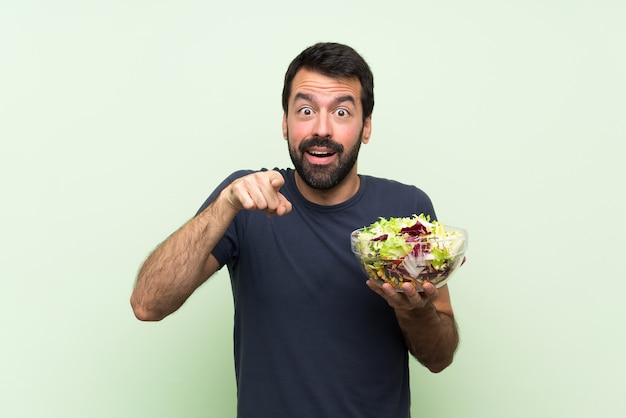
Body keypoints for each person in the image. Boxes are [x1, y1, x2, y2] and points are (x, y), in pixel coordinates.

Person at [131, 42, 459, 418]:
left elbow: (440, 357)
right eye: (305, 110)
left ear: (366, 127)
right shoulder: (247, 199)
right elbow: (147, 304)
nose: (321, 129)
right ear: (285, 123)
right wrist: (224, 205)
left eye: (341, 111)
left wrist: (414, 311)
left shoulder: (407, 212)